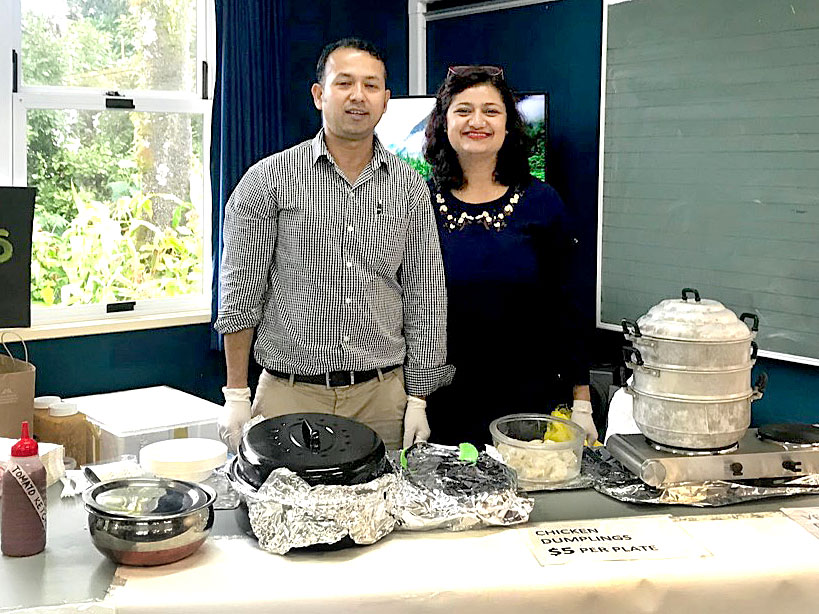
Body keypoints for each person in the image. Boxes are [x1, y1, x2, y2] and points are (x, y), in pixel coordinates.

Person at [215, 38, 453, 452]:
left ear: (385, 101)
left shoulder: (410, 188)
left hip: (382, 396)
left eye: (371, 86)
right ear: (319, 94)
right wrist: (236, 392)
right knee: (286, 514)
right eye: (344, 83)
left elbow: (425, 297)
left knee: (384, 514)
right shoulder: (266, 181)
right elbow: (241, 293)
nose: (358, 96)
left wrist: (417, 398)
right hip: (290, 394)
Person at [422, 65, 596, 446]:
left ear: (507, 124)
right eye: (463, 110)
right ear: (444, 122)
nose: (476, 121)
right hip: (442, 399)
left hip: (528, 399)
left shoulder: (542, 202)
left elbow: (570, 304)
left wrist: (581, 398)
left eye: (491, 110)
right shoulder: (419, 203)